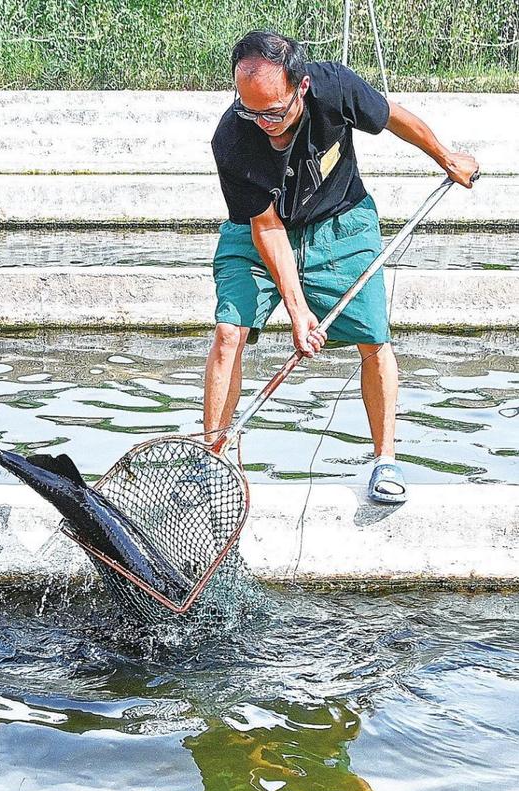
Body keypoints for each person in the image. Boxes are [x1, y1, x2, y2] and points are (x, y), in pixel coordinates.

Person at [206, 30, 478, 502]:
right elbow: (266, 229)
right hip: (261, 232)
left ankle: (385, 461)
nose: (262, 122)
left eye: (274, 110)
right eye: (250, 110)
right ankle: (213, 462)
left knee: (374, 337)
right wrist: (297, 310)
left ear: (301, 86)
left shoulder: (335, 86)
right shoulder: (233, 136)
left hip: (341, 221)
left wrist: (445, 156)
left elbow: (393, 117)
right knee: (230, 330)